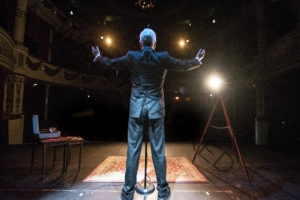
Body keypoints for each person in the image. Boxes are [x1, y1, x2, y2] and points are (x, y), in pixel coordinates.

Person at [92, 28, 205, 200]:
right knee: (158, 151)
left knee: (132, 151)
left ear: (140, 43)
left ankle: (128, 193)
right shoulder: (163, 57)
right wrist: (196, 60)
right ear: (155, 43)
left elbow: (112, 63)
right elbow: (182, 65)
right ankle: (162, 192)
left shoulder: (132, 56)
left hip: (137, 109)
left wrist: (99, 57)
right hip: (156, 110)